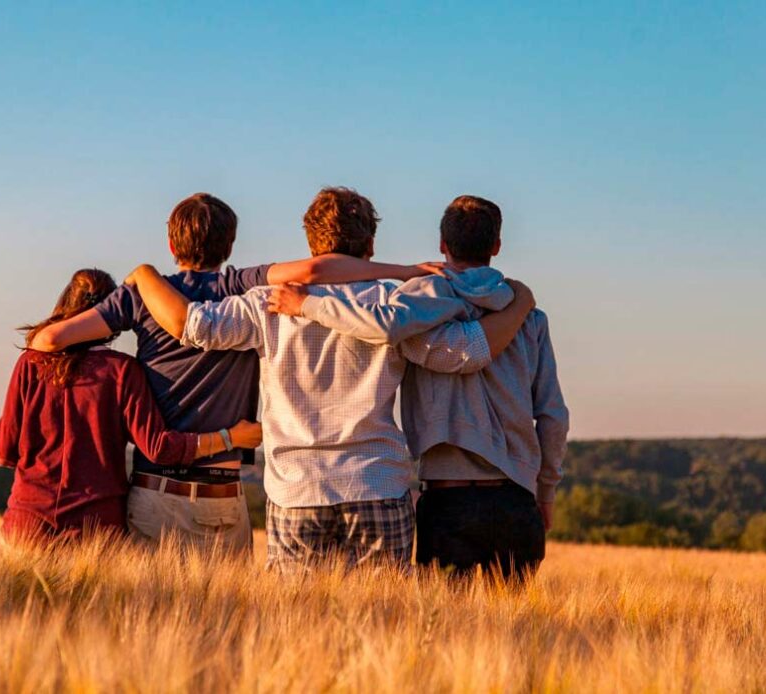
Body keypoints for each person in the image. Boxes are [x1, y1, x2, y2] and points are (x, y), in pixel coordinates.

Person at [123, 187, 534, 571]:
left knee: (296, 627)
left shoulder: (266, 302)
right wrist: (519, 306)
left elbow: (192, 325)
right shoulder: (396, 302)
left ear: (311, 244)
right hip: (377, 483)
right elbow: (463, 353)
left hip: (296, 490)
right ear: (370, 246)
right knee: (384, 627)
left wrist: (144, 275)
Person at [26, 192, 446, 554]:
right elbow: (316, 271)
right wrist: (404, 271)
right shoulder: (241, 286)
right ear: (230, 245)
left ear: (171, 243)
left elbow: (48, 342)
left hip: (158, 491)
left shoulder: (143, 295)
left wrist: (137, 284)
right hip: (226, 495)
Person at [269, 195, 569, 581]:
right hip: (516, 498)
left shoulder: (416, 305)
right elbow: (552, 415)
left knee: (441, 631)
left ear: (442, 245)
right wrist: (546, 491)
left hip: (447, 499)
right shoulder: (530, 317)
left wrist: (308, 305)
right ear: (496, 246)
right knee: (517, 634)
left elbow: (382, 326)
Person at [0, 268, 262, 547]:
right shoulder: (122, 371)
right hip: (96, 531)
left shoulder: (30, 364)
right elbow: (159, 448)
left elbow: (4, 452)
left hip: (27, 525)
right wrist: (229, 438)